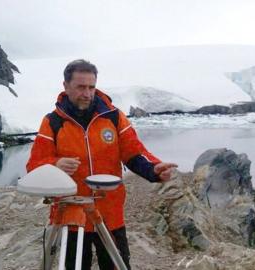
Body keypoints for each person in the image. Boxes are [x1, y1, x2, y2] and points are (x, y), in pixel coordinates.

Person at [26, 59, 177, 270]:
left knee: (116, 264)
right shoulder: (53, 122)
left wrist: (154, 170)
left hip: (109, 212)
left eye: (91, 87)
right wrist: (55, 163)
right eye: (80, 87)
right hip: (71, 214)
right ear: (66, 86)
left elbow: (134, 153)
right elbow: (34, 165)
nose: (87, 93)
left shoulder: (113, 117)